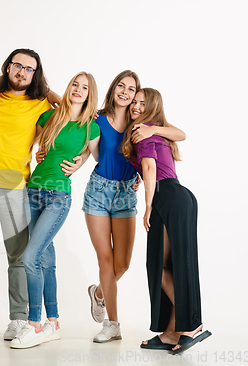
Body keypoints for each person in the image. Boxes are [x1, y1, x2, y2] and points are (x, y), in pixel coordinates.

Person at [0, 49, 71, 340]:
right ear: (8, 67)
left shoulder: (39, 104)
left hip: (17, 188)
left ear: (36, 74)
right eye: (18, 66)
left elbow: (72, 115)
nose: (22, 72)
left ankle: (18, 318)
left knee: (18, 257)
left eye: (30, 69)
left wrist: (47, 91)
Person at [83, 70, 186, 343]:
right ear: (113, 88)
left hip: (126, 194)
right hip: (98, 192)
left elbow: (178, 133)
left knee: (123, 263)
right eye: (121, 86)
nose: (126, 92)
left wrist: (154, 129)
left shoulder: (139, 123)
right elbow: (81, 146)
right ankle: (112, 325)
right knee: (105, 261)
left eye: (132, 89)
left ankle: (100, 293)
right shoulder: (97, 119)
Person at [10, 72, 101, 349]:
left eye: (84, 87)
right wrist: (38, 153)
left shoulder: (91, 128)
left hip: (58, 196)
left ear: (89, 94)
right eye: (75, 84)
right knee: (46, 260)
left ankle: (34, 324)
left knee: (30, 256)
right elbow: (33, 148)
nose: (78, 89)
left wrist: (81, 160)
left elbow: (100, 158)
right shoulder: (49, 117)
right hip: (32, 191)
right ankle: (54, 321)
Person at [121, 88, 211, 354]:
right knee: (166, 264)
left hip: (167, 196)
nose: (135, 106)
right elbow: (150, 164)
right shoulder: (152, 128)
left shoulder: (145, 129)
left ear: (152, 107)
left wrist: (148, 206)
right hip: (175, 195)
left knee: (160, 265)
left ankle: (192, 324)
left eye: (142, 103)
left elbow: (150, 167)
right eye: (134, 102)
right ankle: (172, 332)